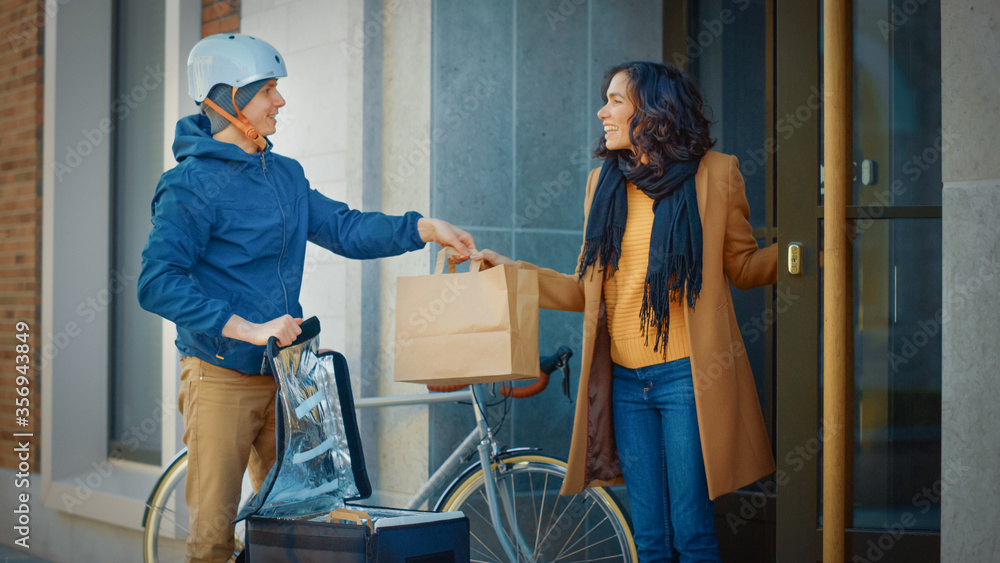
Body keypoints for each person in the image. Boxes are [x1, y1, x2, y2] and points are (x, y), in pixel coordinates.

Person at [137, 33, 473, 563]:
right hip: (219, 374)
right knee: (212, 539)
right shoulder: (188, 185)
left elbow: (345, 228)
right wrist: (247, 327)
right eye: (268, 89)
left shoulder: (285, 175)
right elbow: (157, 282)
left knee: (300, 524)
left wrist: (423, 228)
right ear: (228, 97)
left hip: (288, 378)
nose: (280, 101)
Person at [469, 62, 776, 562]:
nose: (601, 110)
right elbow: (583, 290)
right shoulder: (603, 185)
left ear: (653, 110)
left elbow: (741, 266)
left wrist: (804, 253)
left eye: (614, 99)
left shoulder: (716, 175)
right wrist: (512, 270)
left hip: (687, 378)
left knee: (692, 533)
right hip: (628, 383)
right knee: (650, 537)